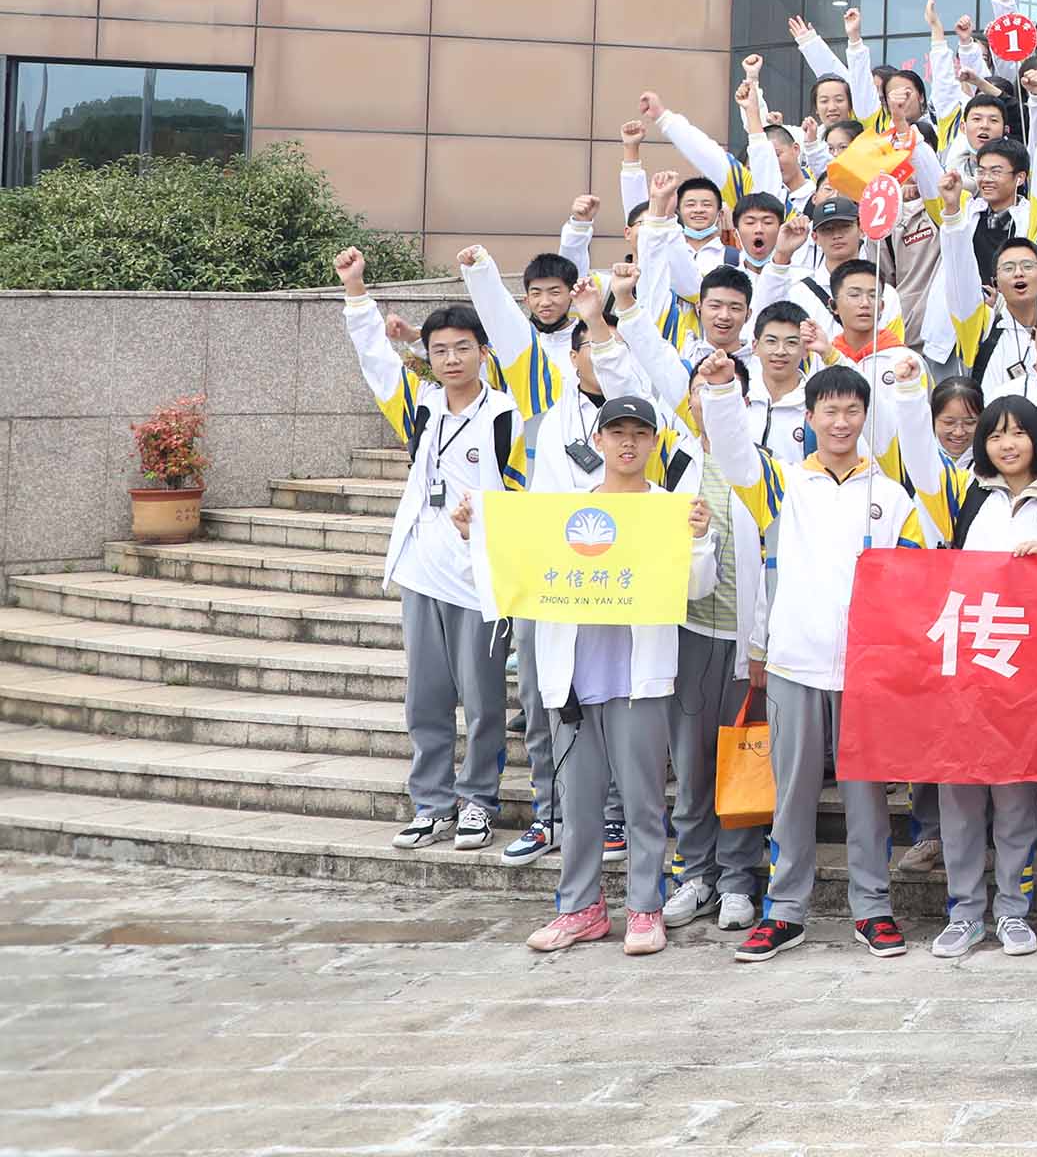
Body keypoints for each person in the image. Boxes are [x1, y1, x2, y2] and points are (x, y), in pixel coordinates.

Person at [334, 244, 553, 858]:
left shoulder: (507, 416)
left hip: (479, 577)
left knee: (482, 700)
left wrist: (483, 517)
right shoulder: (421, 406)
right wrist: (356, 292)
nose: (452, 359)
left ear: (483, 352)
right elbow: (375, 359)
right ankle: (431, 804)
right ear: (428, 357)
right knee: (425, 697)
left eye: (462, 348)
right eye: (440, 350)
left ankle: (478, 800)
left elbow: (525, 492)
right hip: (422, 568)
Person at [701, 358, 918, 963]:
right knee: (792, 793)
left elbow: (912, 581)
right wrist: (721, 390)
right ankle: (785, 911)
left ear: (866, 416)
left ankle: (872, 908)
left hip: (866, 671)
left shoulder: (892, 496)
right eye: (830, 410)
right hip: (794, 663)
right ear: (811, 417)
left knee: (866, 796)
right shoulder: (782, 484)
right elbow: (734, 453)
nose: (841, 421)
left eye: (852, 410)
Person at [502, 393, 719, 956]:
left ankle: (645, 908)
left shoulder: (671, 508)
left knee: (643, 801)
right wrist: (472, 530)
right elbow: (518, 566)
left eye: (639, 434)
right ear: (597, 440)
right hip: (574, 681)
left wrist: (698, 539)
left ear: (653, 443)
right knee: (577, 803)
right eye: (617, 432)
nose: (628, 443)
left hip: (638, 681)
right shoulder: (565, 512)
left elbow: (697, 587)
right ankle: (581, 908)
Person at [921, 392, 1037, 961]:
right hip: (966, 668)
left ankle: (1013, 911)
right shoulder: (967, 494)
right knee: (960, 797)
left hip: (1030, 673)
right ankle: (964, 913)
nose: (1007, 444)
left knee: (1016, 800)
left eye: (1018, 432)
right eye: (995, 434)